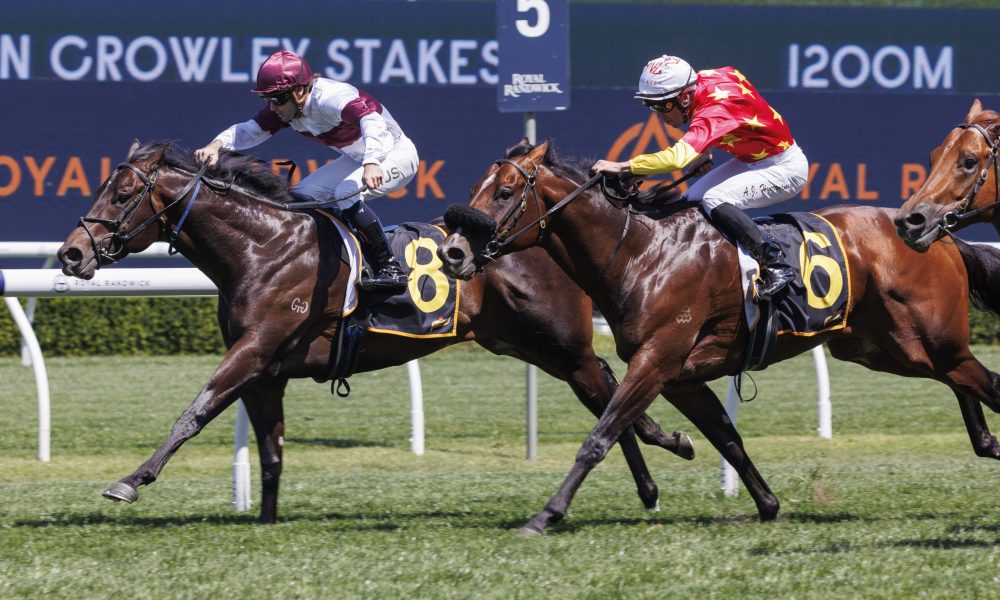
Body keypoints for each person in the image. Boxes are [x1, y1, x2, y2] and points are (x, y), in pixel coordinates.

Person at [195, 50, 417, 292]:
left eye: (277, 99)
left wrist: (372, 161)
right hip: (358, 158)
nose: (273, 107)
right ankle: (332, 260)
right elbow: (250, 130)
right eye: (267, 99)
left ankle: (390, 267)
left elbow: (371, 119)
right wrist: (216, 145)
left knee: (346, 192)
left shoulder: (331, 97)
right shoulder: (289, 106)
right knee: (302, 197)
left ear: (300, 91)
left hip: (395, 154)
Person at [592, 55, 808, 301]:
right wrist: (706, 148)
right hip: (754, 159)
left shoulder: (713, 111)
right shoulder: (706, 78)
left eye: (662, 106)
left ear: (684, 97)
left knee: (715, 199)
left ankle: (774, 263)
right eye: (650, 106)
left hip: (785, 169)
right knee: (690, 202)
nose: (658, 115)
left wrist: (624, 166)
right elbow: (738, 96)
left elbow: (676, 160)